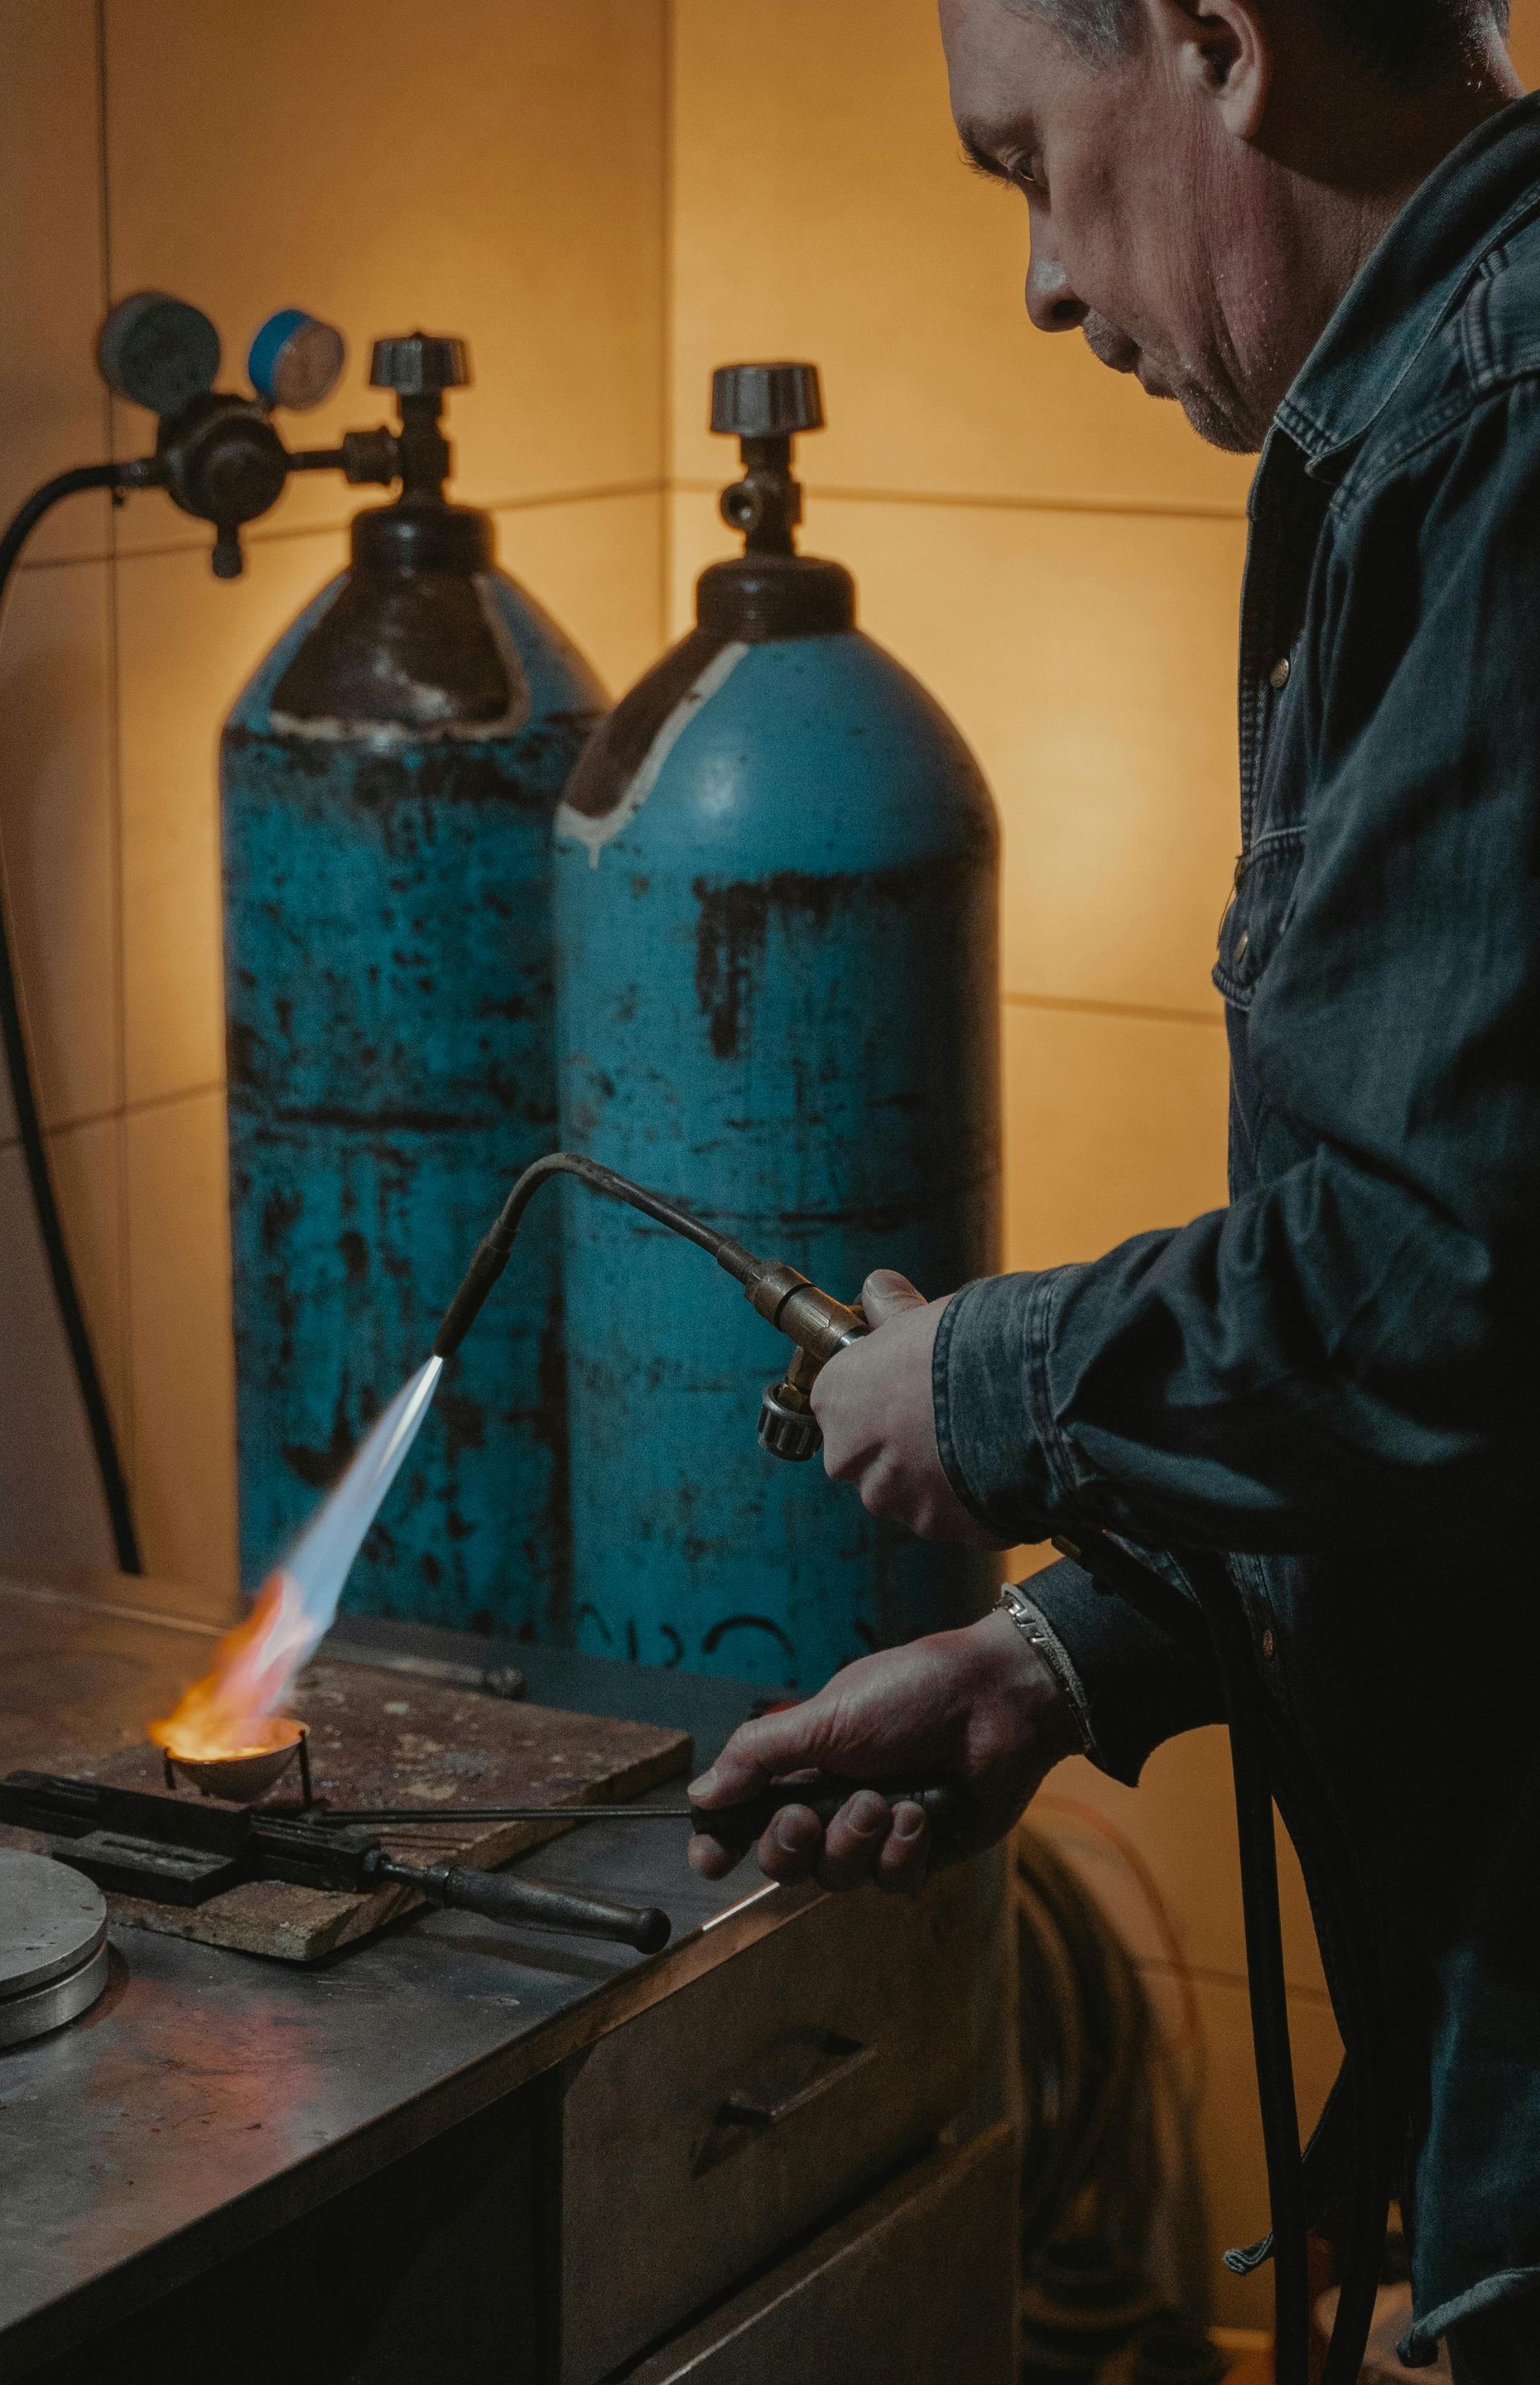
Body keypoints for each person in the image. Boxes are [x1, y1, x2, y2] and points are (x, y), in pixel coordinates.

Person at [687, 3, 1540, 2377]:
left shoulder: (1506, 429)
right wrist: (1069, 1648)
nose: (1047, 283)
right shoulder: (1446, 418)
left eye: (1024, 165)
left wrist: (980, 1376)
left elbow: (1428, 1294)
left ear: (1219, 45)